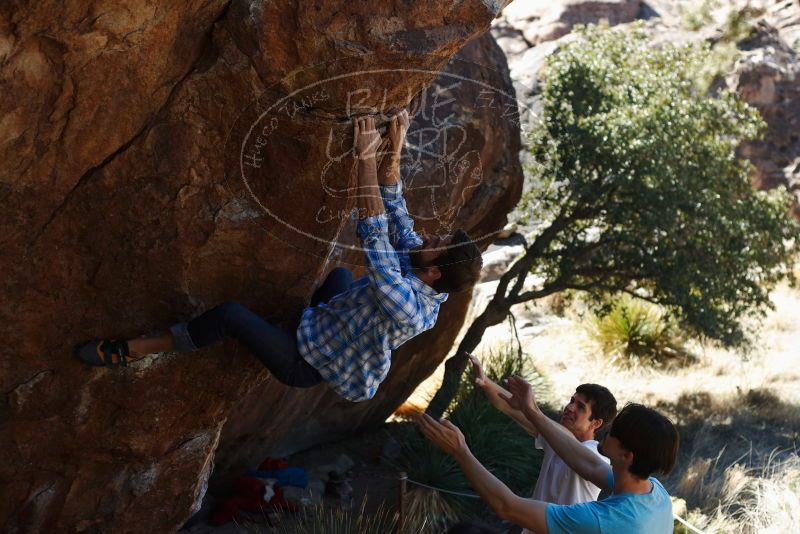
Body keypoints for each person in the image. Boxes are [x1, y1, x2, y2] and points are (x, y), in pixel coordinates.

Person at [76, 111, 483, 402]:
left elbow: (375, 230)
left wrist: (363, 159)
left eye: (435, 242)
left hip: (306, 364)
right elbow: (396, 212)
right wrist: (395, 147)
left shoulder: (409, 310)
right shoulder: (427, 271)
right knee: (340, 275)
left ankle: (139, 348)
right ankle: (305, 325)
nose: (427, 236)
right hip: (327, 326)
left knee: (230, 315)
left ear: (431, 274)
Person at [418, 376, 679, 533]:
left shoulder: (600, 520)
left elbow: (506, 506)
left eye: (614, 433)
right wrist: (531, 410)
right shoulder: (655, 493)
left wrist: (459, 450)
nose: (607, 433)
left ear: (627, 455)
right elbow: (584, 463)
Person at [470, 355, 616, 517]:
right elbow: (510, 407)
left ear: (596, 423)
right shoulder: (554, 437)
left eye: (580, 407)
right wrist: (485, 382)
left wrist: (531, 409)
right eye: (571, 401)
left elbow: (555, 431)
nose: (570, 407)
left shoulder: (596, 456)